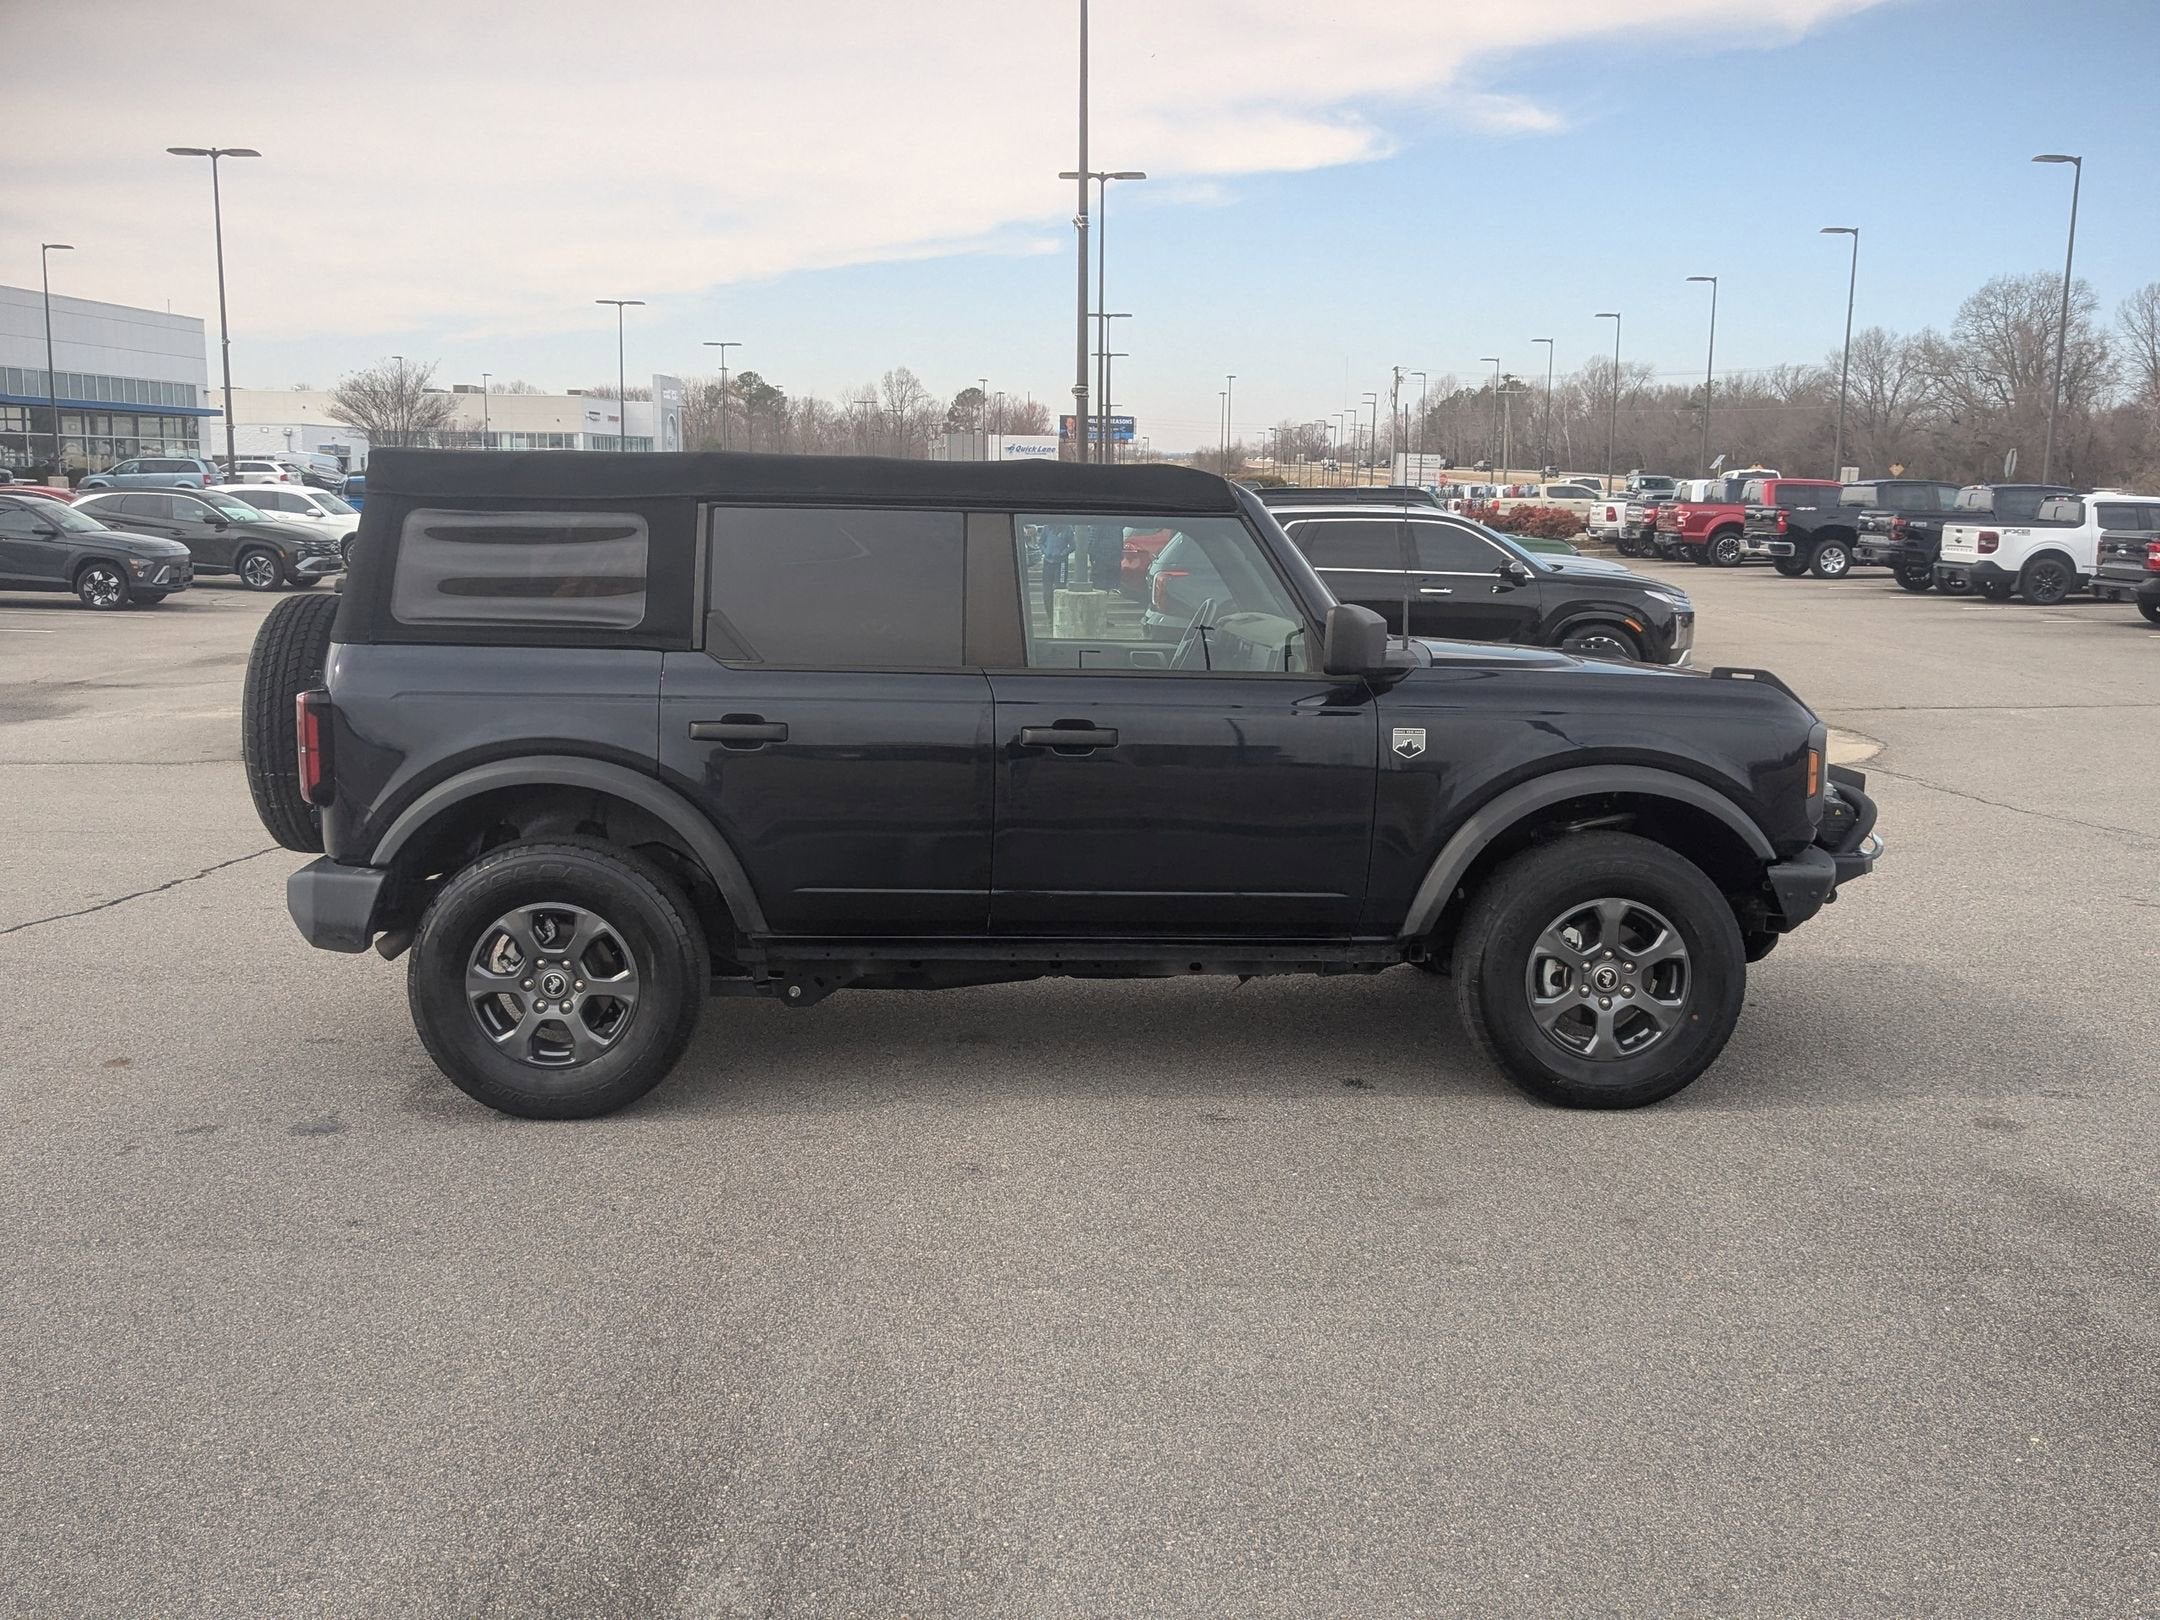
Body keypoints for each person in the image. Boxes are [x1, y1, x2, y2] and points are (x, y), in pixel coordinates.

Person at [1037, 522, 1074, 615]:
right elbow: (1040, 542)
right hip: (1048, 562)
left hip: (1061, 563)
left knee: (1060, 589)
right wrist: (1045, 551)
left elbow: (1073, 546)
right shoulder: (1046, 528)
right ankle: (1050, 615)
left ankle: (1060, 614)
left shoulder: (1067, 528)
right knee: (1047, 592)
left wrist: (1063, 553)